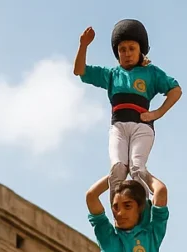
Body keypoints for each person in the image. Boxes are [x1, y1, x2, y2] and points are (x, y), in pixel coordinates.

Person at [75, 20, 181, 194]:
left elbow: (175, 90)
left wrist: (158, 113)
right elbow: (80, 70)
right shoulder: (111, 75)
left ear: (140, 50)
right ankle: (119, 217)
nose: (127, 53)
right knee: (118, 169)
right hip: (118, 127)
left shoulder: (151, 73)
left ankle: (145, 209)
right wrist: (83, 45)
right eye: (122, 50)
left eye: (132, 48)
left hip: (142, 126)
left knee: (137, 169)